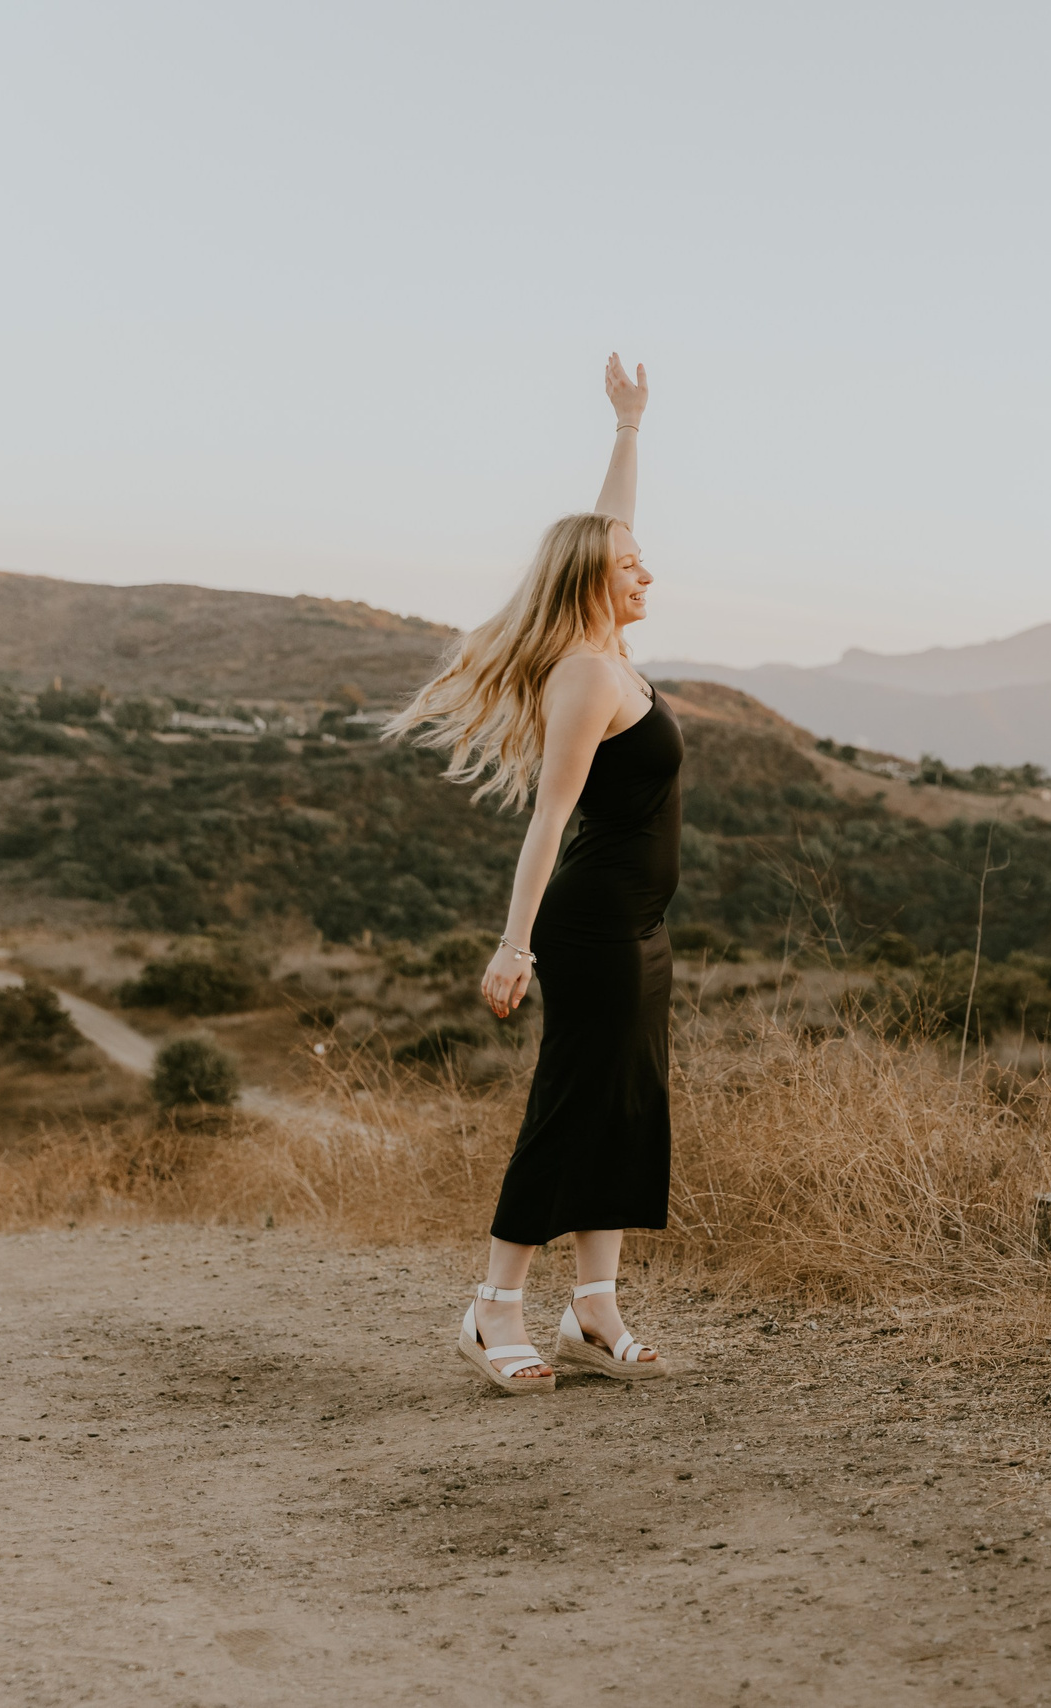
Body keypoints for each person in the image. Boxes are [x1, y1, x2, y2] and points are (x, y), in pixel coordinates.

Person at [387, 352, 676, 1394]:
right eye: (633, 567)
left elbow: (601, 532)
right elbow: (548, 815)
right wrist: (513, 943)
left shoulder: (605, 646)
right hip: (592, 923)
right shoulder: (590, 673)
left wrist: (629, 428)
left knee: (626, 1104)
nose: (649, 573)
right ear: (597, 582)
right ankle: (493, 1305)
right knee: (570, 1103)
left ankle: (592, 1309)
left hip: (641, 925)